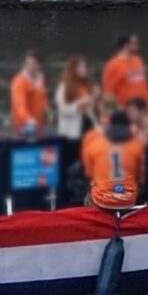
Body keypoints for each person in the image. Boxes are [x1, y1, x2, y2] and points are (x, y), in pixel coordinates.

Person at [54, 55, 96, 204]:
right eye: (81, 67)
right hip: (71, 133)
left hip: (87, 128)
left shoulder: (86, 86)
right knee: (68, 164)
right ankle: (65, 197)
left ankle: (86, 194)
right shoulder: (64, 87)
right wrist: (79, 104)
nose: (85, 70)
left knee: (86, 164)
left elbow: (91, 108)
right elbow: (63, 110)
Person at [84, 108, 145, 208]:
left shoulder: (96, 144)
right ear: (128, 126)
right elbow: (141, 176)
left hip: (102, 200)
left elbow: (89, 173)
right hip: (128, 200)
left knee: (87, 196)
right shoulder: (137, 146)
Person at [102, 34, 148, 109]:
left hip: (144, 109)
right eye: (134, 43)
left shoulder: (138, 60)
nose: (137, 45)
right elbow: (108, 95)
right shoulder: (112, 66)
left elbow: (144, 85)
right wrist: (120, 110)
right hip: (126, 110)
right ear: (125, 45)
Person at [10, 52, 48, 134]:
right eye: (27, 64)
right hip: (22, 126)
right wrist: (28, 119)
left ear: (39, 65)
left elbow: (43, 99)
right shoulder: (19, 82)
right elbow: (19, 105)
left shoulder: (41, 79)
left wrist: (47, 110)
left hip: (39, 125)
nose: (29, 67)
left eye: (33, 64)